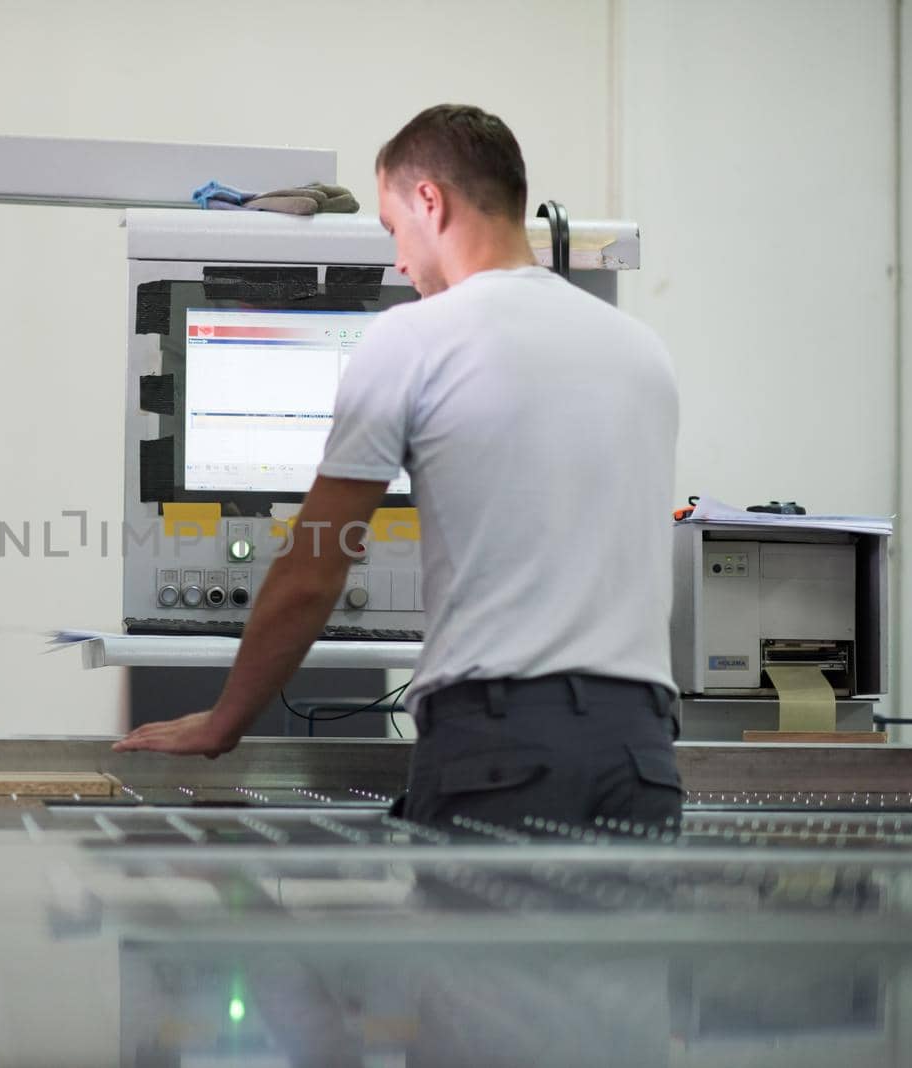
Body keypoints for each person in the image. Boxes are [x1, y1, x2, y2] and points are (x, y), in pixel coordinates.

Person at [114, 103, 683, 833]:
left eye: (391, 230)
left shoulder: (413, 339)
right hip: (639, 755)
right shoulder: (641, 351)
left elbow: (315, 567)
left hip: (502, 751)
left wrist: (225, 721)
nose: (397, 262)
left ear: (429, 201)